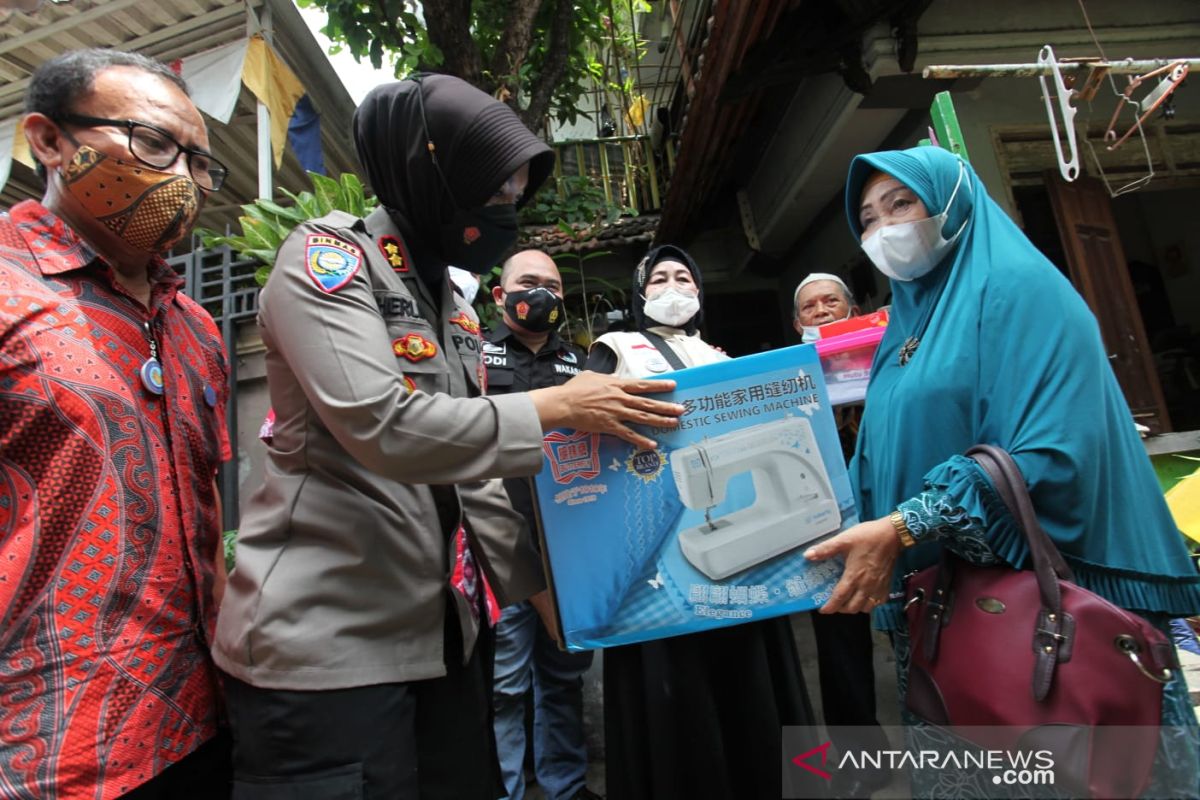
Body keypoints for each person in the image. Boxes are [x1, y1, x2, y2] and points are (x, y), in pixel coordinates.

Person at [212, 75, 683, 799]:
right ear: (430, 175)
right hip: (330, 651)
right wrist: (559, 407)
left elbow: (479, 481)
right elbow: (382, 425)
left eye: (515, 195)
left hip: (441, 643)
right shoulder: (327, 264)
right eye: (494, 192)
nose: (507, 212)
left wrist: (561, 615)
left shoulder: (453, 310)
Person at [804, 145, 1200, 796]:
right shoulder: (907, 325)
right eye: (868, 219)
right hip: (943, 615)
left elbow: (1053, 450)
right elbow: (881, 454)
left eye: (902, 203)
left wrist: (906, 526)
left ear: (952, 202)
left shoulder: (1019, 289)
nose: (884, 231)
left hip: (1050, 613)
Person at [1, 49, 233, 798]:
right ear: (49, 140)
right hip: (49, 750)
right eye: (155, 144)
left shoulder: (197, 328)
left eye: (198, 163)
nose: (183, 180)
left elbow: (205, 516)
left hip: (204, 722)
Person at [588, 245, 816, 800]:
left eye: (684, 277)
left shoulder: (719, 354)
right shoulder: (613, 349)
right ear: (641, 294)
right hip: (652, 538)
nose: (673, 286)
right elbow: (588, 429)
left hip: (728, 526)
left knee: (748, 673)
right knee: (674, 682)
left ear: (699, 291)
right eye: (659, 278)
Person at [485, 249, 600, 800]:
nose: (542, 293)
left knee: (564, 678)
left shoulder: (585, 367)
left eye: (552, 285)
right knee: (503, 684)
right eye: (528, 282)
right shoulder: (472, 356)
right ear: (499, 294)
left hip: (569, 555)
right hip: (498, 551)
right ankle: (504, 789)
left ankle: (566, 786)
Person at [793, 272, 891, 797]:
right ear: (797, 323)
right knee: (841, 651)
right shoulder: (789, 379)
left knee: (924, 633)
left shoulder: (894, 355)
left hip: (901, 516)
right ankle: (863, 763)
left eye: (832, 301)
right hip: (833, 529)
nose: (823, 310)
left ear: (854, 309)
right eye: (811, 307)